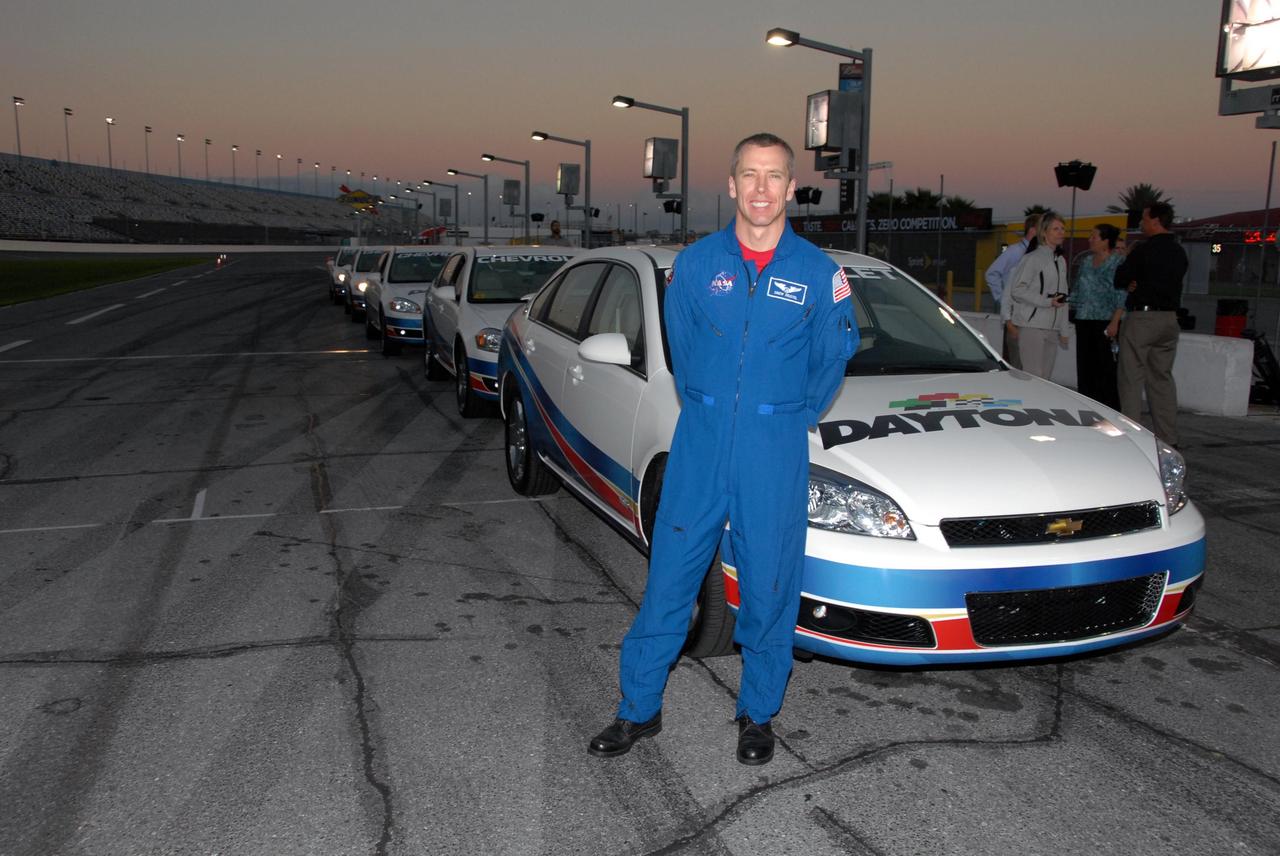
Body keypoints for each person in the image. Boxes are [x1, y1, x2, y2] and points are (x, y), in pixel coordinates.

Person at [588, 133, 857, 766]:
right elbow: (681, 351)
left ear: (793, 188)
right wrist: (715, 407)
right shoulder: (695, 265)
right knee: (671, 581)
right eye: (749, 175)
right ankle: (638, 709)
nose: (762, 189)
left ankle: (758, 714)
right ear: (731, 185)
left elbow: (828, 365)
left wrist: (778, 416)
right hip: (701, 442)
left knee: (770, 586)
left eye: (774, 177)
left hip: (774, 448)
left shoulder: (822, 276)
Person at [1113, 202, 1188, 446]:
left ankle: (1132, 438)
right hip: (1169, 319)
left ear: (1155, 220)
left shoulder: (1144, 250)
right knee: (1162, 379)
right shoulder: (1179, 251)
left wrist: (1133, 281)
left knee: (1131, 378)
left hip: (1143, 319)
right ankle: (1168, 437)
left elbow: (1120, 277)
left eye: (1144, 218)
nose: (1141, 223)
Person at [1067, 224, 1127, 409]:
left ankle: (1108, 409)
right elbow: (1077, 289)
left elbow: (1121, 294)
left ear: (1105, 241)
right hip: (1084, 320)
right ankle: (1087, 406)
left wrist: (1115, 321)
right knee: (1085, 367)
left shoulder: (1118, 263)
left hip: (1105, 322)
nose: (1090, 240)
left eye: (1094, 237)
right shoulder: (1086, 262)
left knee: (1105, 369)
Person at [1007, 213, 1070, 379]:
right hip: (1033, 326)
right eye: (1056, 229)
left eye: (1063, 229)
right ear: (1044, 232)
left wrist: (1064, 330)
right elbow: (1017, 290)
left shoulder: (1061, 261)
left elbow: (1064, 295)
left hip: (1053, 328)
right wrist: (1047, 301)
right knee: (1033, 376)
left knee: (1045, 378)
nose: (1061, 232)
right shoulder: (1032, 259)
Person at [985, 214, 1039, 369]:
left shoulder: (1038, 254)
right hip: (1014, 316)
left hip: (1030, 316)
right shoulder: (1015, 251)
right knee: (1015, 362)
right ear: (1033, 229)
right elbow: (992, 273)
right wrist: (1003, 300)